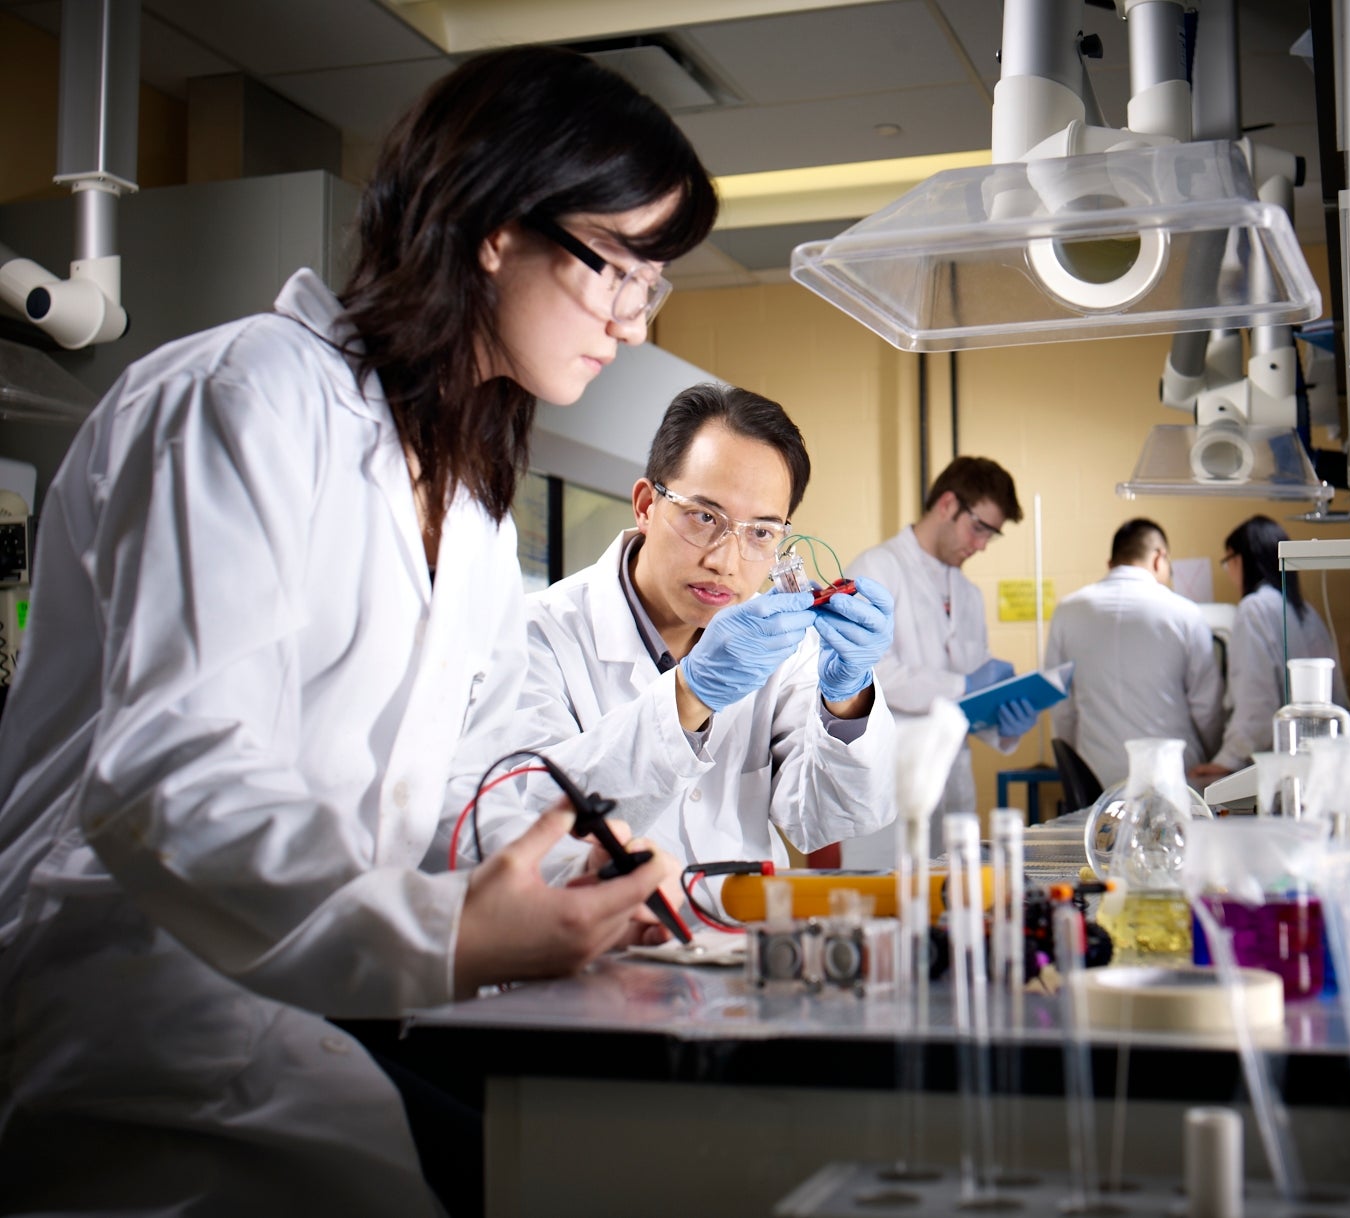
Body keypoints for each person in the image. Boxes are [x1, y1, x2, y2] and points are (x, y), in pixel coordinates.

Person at [0, 46, 718, 1215]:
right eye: (620, 273)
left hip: (316, 1002)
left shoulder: (472, 500)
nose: (634, 326)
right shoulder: (242, 401)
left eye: (653, 287)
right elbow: (171, 786)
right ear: (496, 226)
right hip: (136, 1013)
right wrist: (455, 931)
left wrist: (568, 864)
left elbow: (441, 787)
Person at [519, 383, 898, 895]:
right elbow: (528, 826)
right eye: (704, 517)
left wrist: (847, 700)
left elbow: (830, 818)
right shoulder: (538, 634)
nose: (725, 561)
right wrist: (689, 696)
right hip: (601, 947)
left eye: (760, 533)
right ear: (646, 505)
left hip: (741, 947)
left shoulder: (784, 649)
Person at [839, 457, 1037, 864]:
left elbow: (966, 707)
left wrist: (1003, 719)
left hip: (952, 789)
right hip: (887, 789)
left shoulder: (968, 595)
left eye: (991, 535)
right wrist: (964, 686)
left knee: (952, 910)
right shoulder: (876, 568)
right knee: (886, 910)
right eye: (979, 527)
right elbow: (866, 673)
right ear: (947, 504)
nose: (981, 545)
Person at [1044, 518, 1224, 788]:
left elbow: (1061, 708)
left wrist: (1075, 768)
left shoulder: (1067, 612)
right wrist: (1215, 757)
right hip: (1176, 777)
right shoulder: (1186, 613)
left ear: (1110, 564)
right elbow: (1206, 708)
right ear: (1159, 558)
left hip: (1097, 780)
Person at [1192, 514, 1350, 781]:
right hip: (1326, 758)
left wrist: (1228, 760)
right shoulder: (1304, 611)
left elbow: (1257, 703)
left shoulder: (1254, 609)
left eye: (1227, 561)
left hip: (1280, 766)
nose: (1229, 571)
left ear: (1241, 559)